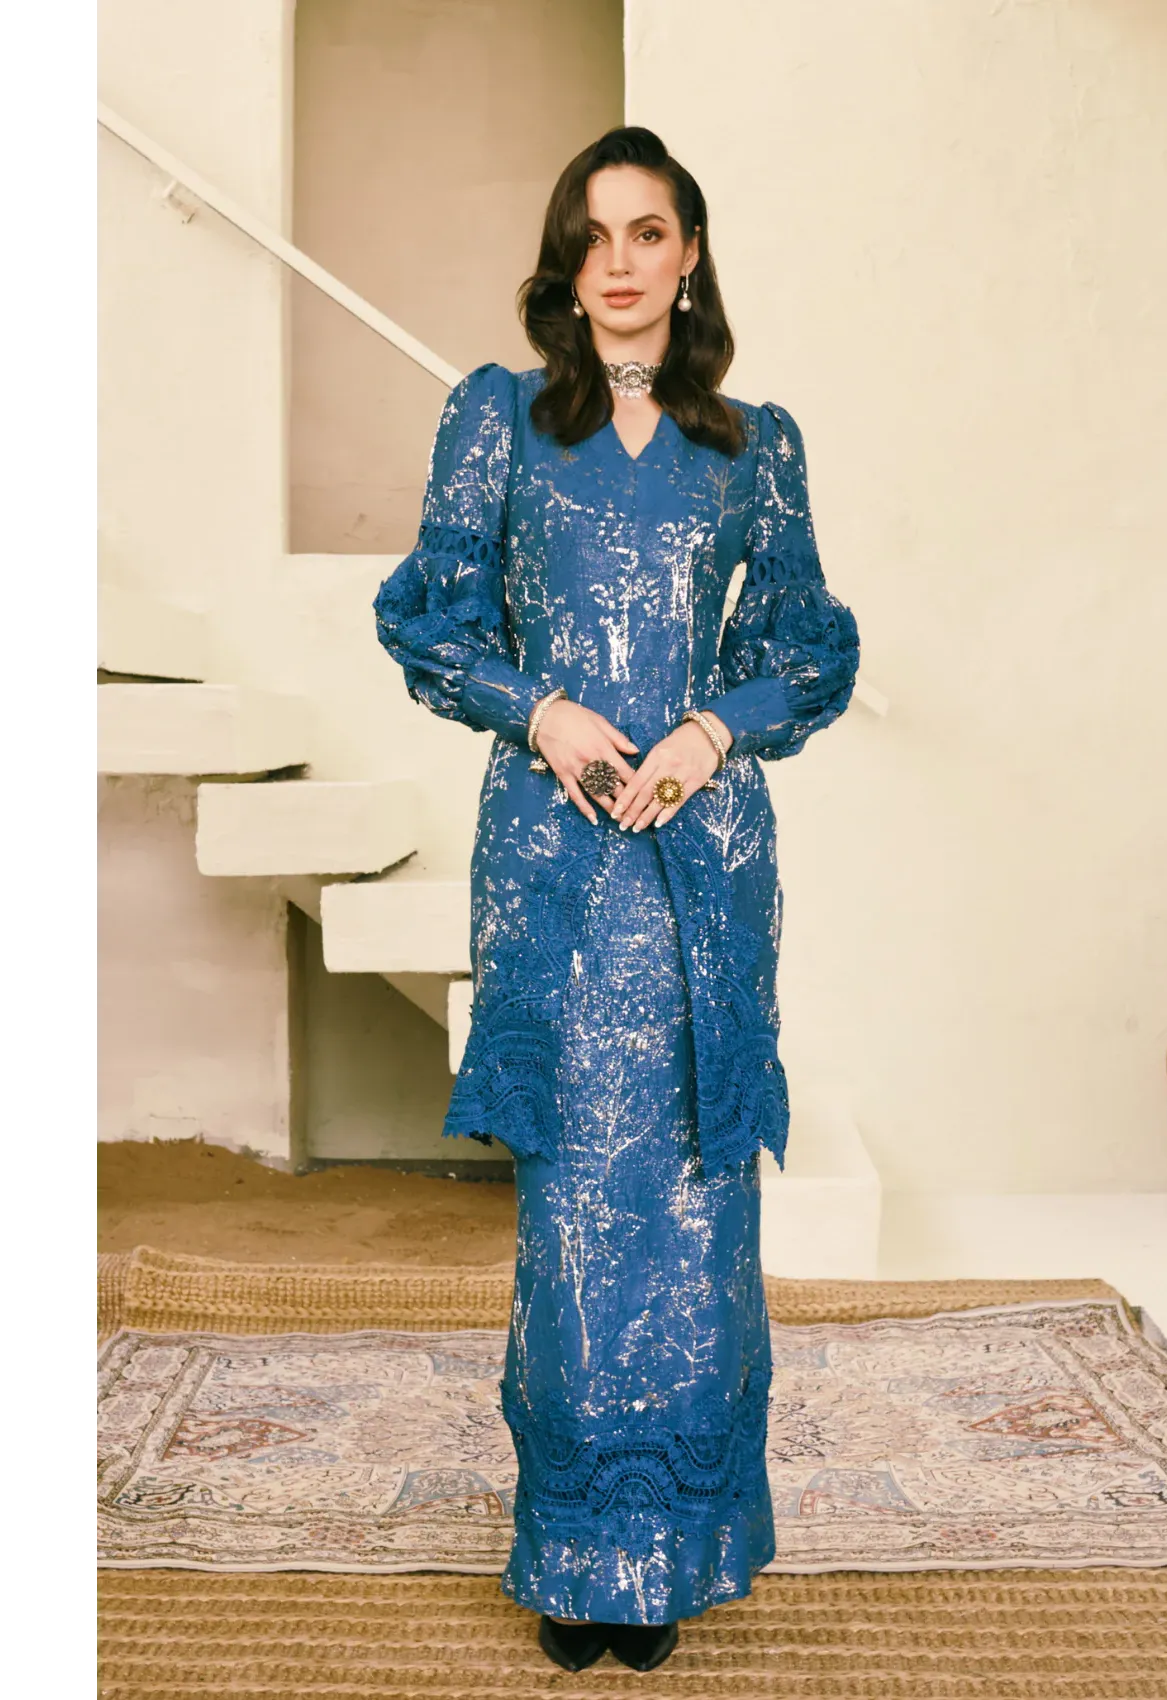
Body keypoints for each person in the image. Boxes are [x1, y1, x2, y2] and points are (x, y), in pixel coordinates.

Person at [373, 125, 859, 1674]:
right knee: (577, 1210)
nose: (620, 262)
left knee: (698, 1203)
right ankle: (575, 1558)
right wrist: (538, 711)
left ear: (688, 254)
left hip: (703, 870)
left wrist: (714, 729)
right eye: (593, 236)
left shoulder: (754, 445)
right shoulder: (499, 420)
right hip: (557, 865)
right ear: (562, 262)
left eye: (647, 232)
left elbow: (808, 646)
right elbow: (426, 619)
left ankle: (674, 1562)